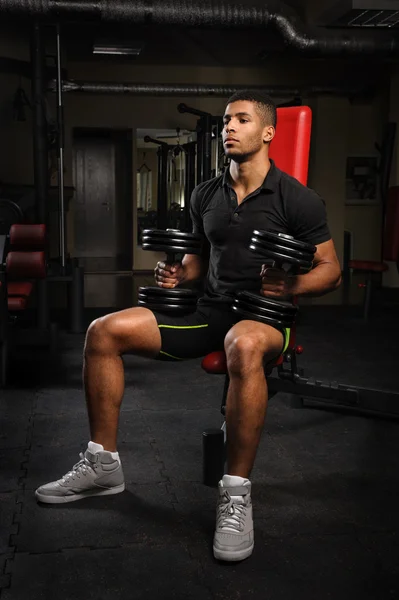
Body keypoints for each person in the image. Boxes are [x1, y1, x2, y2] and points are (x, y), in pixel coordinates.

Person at [35, 91, 341, 563]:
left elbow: (330, 269)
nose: (229, 128)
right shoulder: (205, 194)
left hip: (264, 317)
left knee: (241, 343)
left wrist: (291, 283)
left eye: (241, 120)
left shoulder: (298, 199)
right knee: (102, 331)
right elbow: (199, 262)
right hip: (211, 312)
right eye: (225, 121)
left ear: (268, 133)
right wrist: (179, 275)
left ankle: (236, 493)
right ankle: (103, 465)